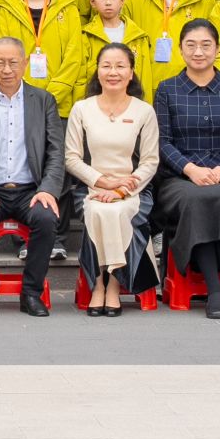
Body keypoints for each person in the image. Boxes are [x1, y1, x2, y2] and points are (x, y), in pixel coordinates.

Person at [0, 36, 66, 317]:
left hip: (31, 189)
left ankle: (31, 293)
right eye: (0, 63)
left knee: (46, 218)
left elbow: (56, 151)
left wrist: (47, 189)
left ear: (25, 63)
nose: (7, 69)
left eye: (13, 62)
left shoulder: (43, 101)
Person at [152, 21, 220, 319]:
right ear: (181, 49)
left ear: (217, 49)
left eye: (206, 45)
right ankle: (215, 290)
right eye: (191, 45)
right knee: (197, 199)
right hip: (179, 179)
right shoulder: (167, 89)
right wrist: (191, 170)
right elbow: (163, 141)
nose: (198, 52)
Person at [66, 42, 161, 316]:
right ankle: (98, 284)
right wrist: (101, 182)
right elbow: (71, 158)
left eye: (120, 66)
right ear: (97, 71)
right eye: (106, 66)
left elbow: (150, 161)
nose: (113, 72)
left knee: (117, 211)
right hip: (91, 189)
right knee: (97, 210)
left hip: (133, 190)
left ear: (131, 73)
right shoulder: (81, 109)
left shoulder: (144, 111)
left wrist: (121, 189)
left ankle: (114, 286)